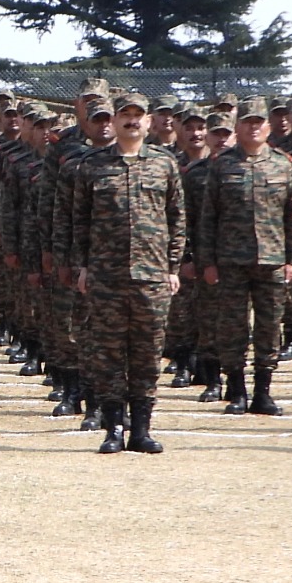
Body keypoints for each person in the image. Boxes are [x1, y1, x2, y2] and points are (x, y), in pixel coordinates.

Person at [69, 90, 185, 453]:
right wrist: (83, 267)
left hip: (151, 277)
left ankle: (142, 429)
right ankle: (113, 427)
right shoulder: (92, 165)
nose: (132, 120)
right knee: (108, 353)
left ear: (149, 122)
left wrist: (173, 267)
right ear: (114, 121)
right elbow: (80, 221)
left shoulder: (164, 165)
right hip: (106, 276)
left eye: (139, 115)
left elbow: (177, 219)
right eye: (125, 115)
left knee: (148, 354)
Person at [200, 97, 292, 415]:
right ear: (237, 127)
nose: (253, 127)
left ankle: (263, 392)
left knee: (270, 327)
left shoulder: (282, 164)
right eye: (247, 122)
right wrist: (208, 261)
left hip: (272, 260)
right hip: (231, 260)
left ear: (267, 127)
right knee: (233, 327)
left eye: (259, 122)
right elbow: (208, 218)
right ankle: (237, 391)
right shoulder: (222, 164)